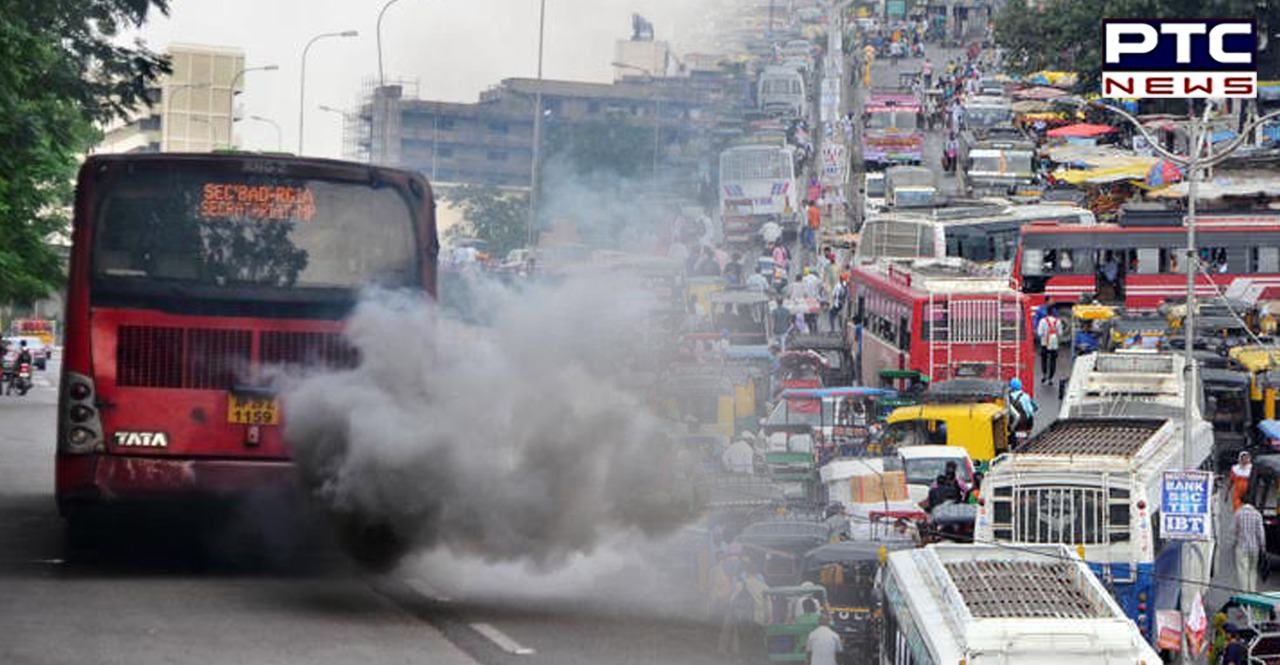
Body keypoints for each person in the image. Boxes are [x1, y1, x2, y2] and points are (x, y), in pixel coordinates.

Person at [1234, 501, 1266, 594]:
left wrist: (1236, 540)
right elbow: (1261, 532)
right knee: (1253, 571)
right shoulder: (1257, 514)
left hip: (1242, 547)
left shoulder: (1238, 513)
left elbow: (1234, 530)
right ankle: (1252, 591)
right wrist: (1262, 546)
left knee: (1243, 571)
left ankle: (1244, 592)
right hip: (1254, 547)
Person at [1006, 378, 1037, 446]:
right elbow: (1030, 411)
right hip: (1024, 424)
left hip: (1013, 424)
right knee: (1031, 417)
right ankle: (1028, 432)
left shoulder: (1008, 397)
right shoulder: (1025, 396)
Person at [1036, 309, 1062, 383]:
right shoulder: (1057, 321)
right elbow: (1060, 333)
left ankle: (1044, 374)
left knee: (1044, 360)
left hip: (1044, 343)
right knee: (1053, 361)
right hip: (1054, 344)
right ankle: (1050, 377)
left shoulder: (1042, 321)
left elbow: (1039, 333)